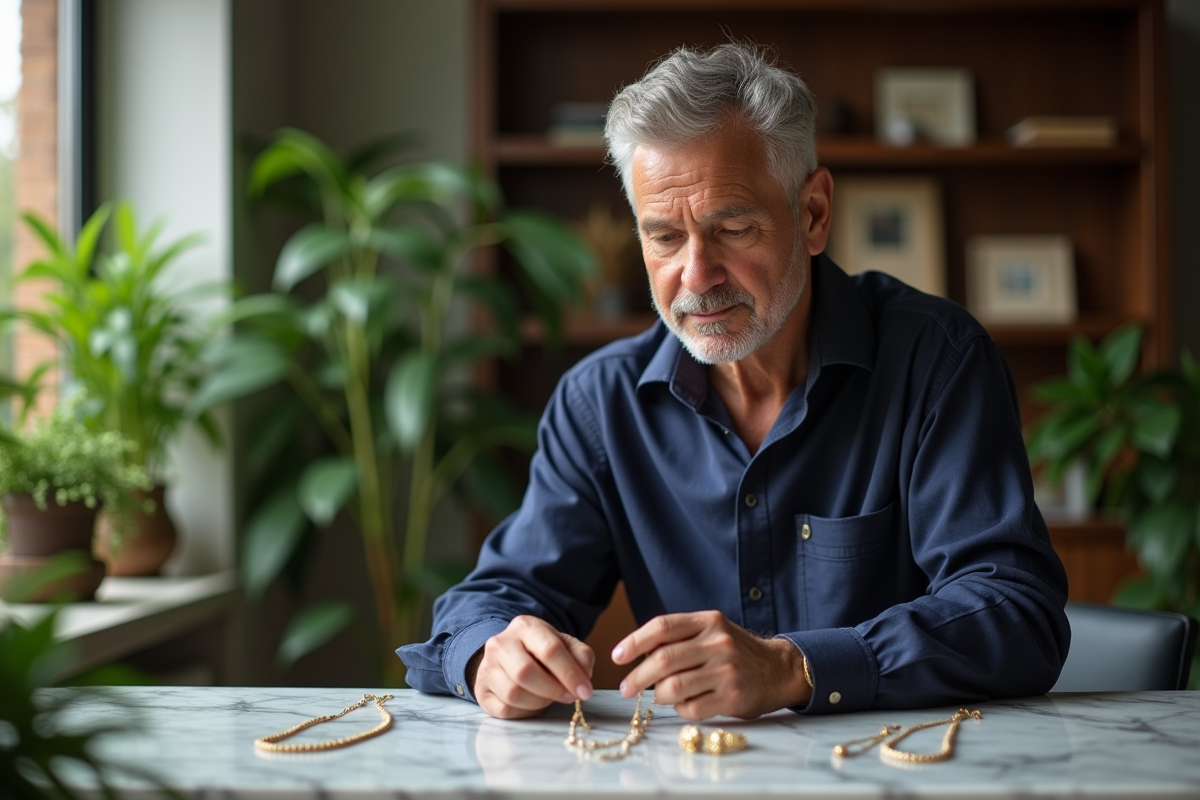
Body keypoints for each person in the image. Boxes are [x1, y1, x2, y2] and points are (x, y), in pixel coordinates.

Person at [397, 42, 1070, 721]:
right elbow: (493, 600)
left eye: (733, 228)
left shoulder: (937, 360)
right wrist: (492, 654)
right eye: (663, 237)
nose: (696, 276)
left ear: (813, 214)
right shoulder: (599, 404)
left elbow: (1015, 610)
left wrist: (796, 666)